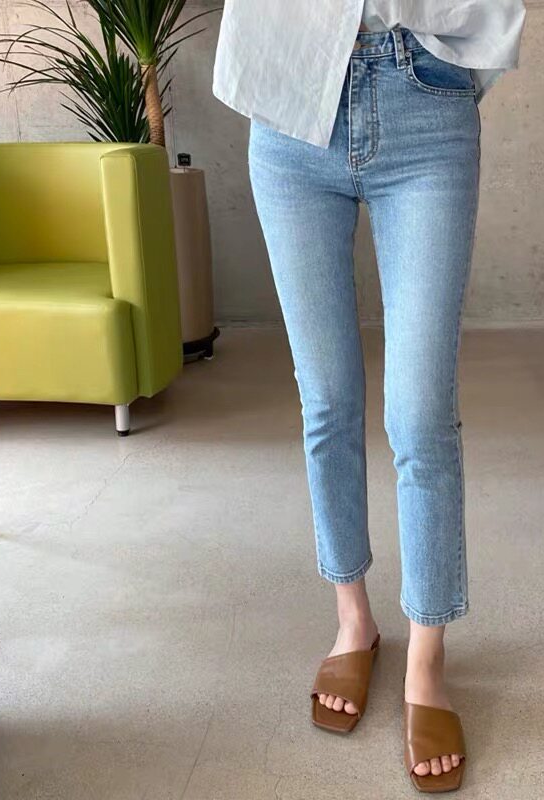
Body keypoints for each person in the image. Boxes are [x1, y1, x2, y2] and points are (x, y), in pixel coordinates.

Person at [213, 1, 526, 792]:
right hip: (290, 104)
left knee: (420, 415)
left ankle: (427, 656)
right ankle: (353, 621)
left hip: (424, 94)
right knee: (326, 399)